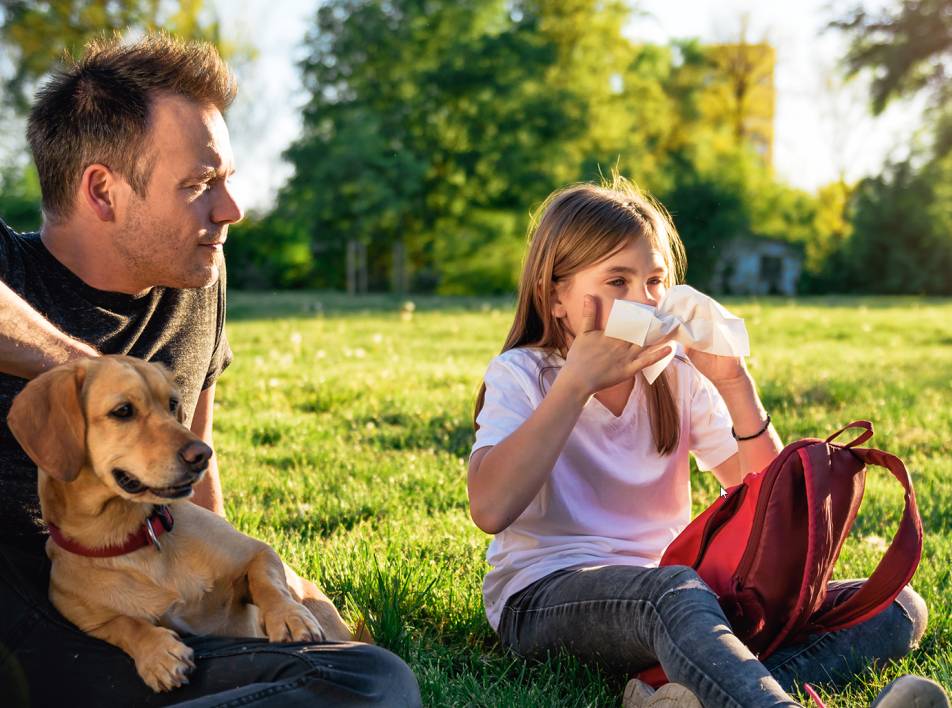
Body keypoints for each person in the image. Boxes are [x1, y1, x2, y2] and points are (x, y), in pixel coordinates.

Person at [0, 33, 420, 708]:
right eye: (199, 184)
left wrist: (241, 592)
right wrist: (90, 376)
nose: (232, 209)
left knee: (369, 676)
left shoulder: (196, 276)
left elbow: (197, 462)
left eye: (223, 179)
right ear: (103, 192)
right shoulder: (13, 270)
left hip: (155, 623)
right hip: (38, 621)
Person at [466, 177, 941, 707]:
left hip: (681, 594)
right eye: (617, 281)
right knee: (675, 591)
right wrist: (576, 386)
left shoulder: (677, 377)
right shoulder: (524, 374)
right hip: (546, 593)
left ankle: (667, 695)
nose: (642, 301)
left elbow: (770, 506)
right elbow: (490, 507)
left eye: (654, 282)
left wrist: (735, 384)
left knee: (893, 605)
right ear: (557, 297)